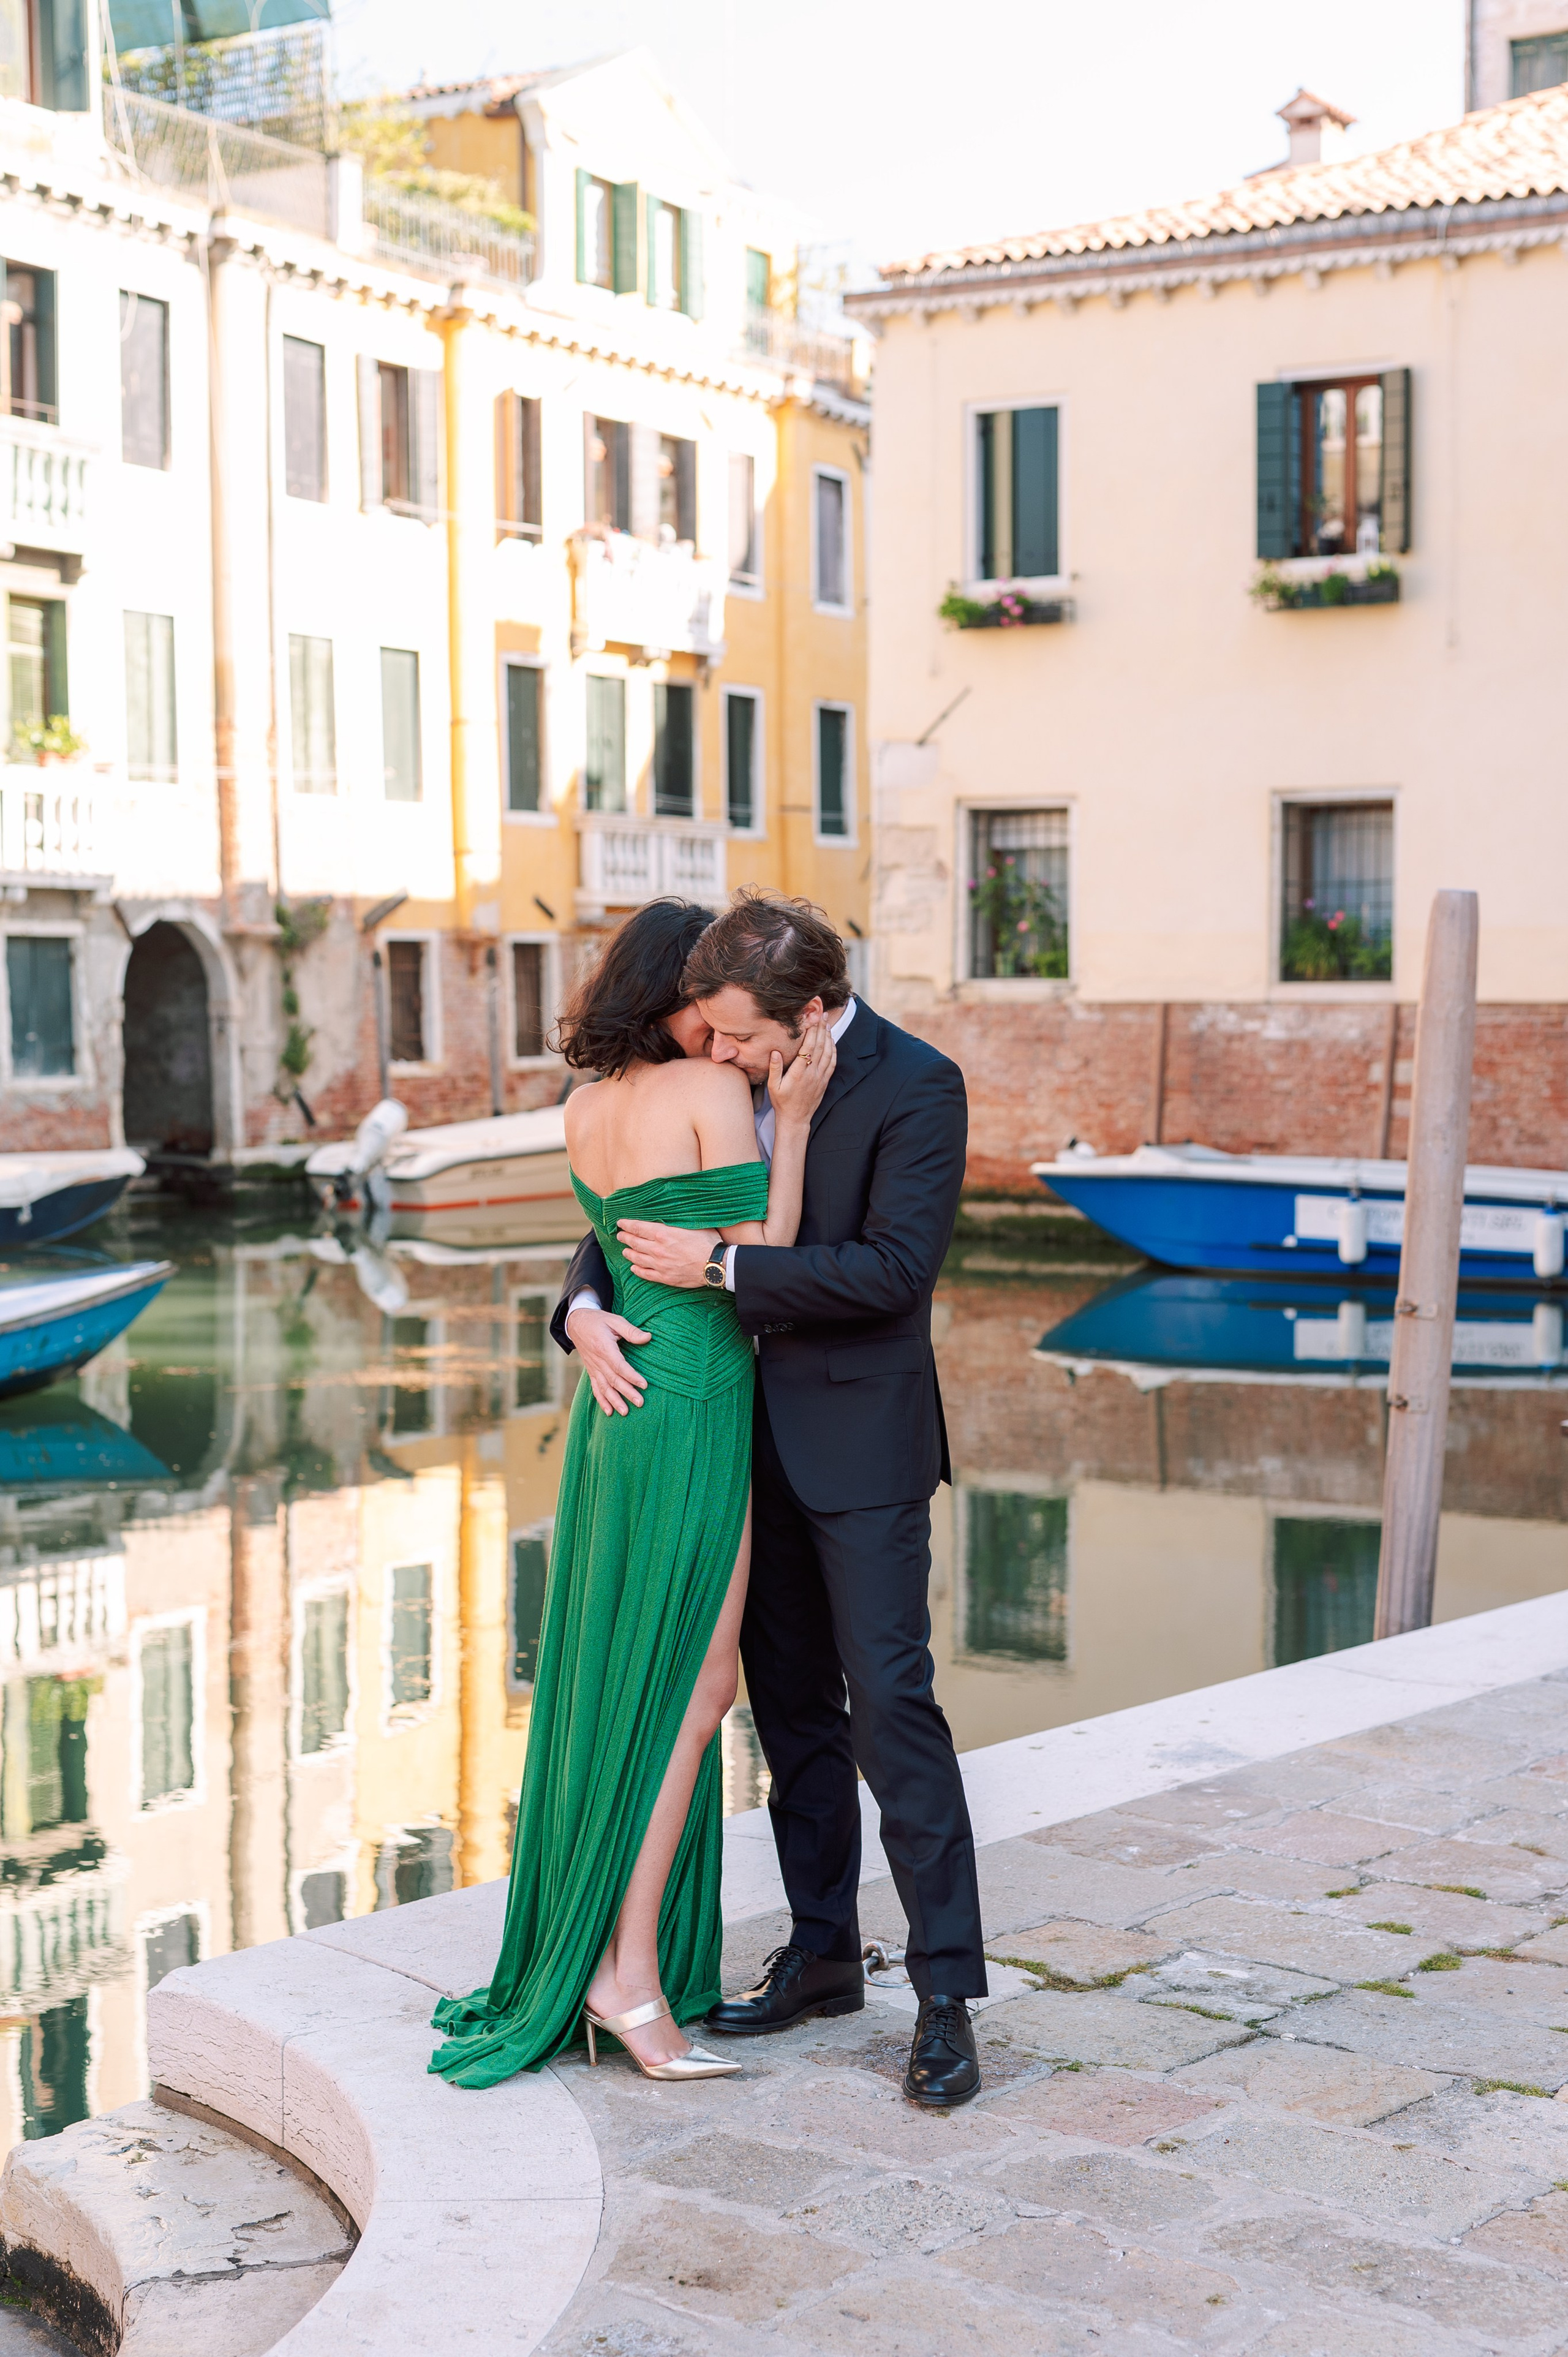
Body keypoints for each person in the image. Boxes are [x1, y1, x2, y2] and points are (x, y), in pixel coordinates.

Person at [554, 890, 986, 2108]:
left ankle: (945, 1995)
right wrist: (579, 1309)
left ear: (812, 1010)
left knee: (891, 1705)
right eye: (715, 1030)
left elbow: (894, 1271)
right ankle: (823, 1953)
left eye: (741, 1034)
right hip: (731, 1441)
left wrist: (729, 1265)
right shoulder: (718, 1072)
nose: (723, 1050)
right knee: (789, 1715)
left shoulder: (917, 1085)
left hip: (859, 1446)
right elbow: (627, 1224)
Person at [428, 899, 836, 2087]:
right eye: (704, 1006)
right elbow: (765, 1255)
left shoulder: (584, 1106)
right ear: (671, 995)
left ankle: (615, 1956)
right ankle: (629, 1975)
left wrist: (581, 1313)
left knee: (628, 1679)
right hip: (696, 1398)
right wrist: (797, 1124)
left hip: (615, 1412)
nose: (722, 1034)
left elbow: (610, 1254)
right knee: (697, 1692)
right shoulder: (706, 1092)